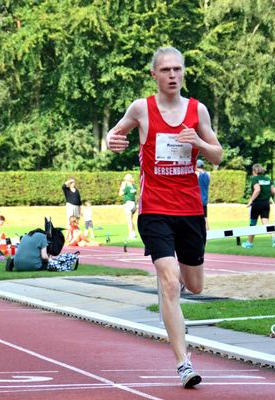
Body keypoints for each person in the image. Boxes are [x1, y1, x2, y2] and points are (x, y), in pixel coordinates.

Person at [106, 46, 222, 388]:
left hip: (190, 210)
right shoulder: (141, 108)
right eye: (166, 70)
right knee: (170, 281)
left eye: (177, 69)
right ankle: (184, 363)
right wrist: (113, 141)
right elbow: (115, 134)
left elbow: (217, 155)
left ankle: (171, 282)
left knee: (194, 286)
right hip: (154, 209)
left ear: (183, 72)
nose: (172, 75)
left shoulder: (197, 110)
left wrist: (198, 140)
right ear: (154, 74)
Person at [242, 164, 275, 248]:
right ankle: (273, 237)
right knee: (266, 223)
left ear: (254, 171)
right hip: (266, 203)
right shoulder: (267, 178)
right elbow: (273, 191)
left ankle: (249, 243)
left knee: (253, 223)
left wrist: (250, 201)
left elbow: (257, 190)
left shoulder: (255, 179)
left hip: (257, 203)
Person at [119, 173, 137, 239]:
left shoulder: (127, 187)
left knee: (129, 220)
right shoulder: (134, 186)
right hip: (133, 204)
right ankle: (134, 233)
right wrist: (135, 205)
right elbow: (135, 196)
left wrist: (122, 186)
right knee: (131, 220)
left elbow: (120, 194)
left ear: (127, 180)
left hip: (128, 204)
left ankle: (130, 234)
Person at [196, 160, 211, 230]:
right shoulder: (208, 174)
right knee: (205, 218)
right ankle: (208, 234)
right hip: (205, 199)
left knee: (196, 219)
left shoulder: (197, 174)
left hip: (197, 200)